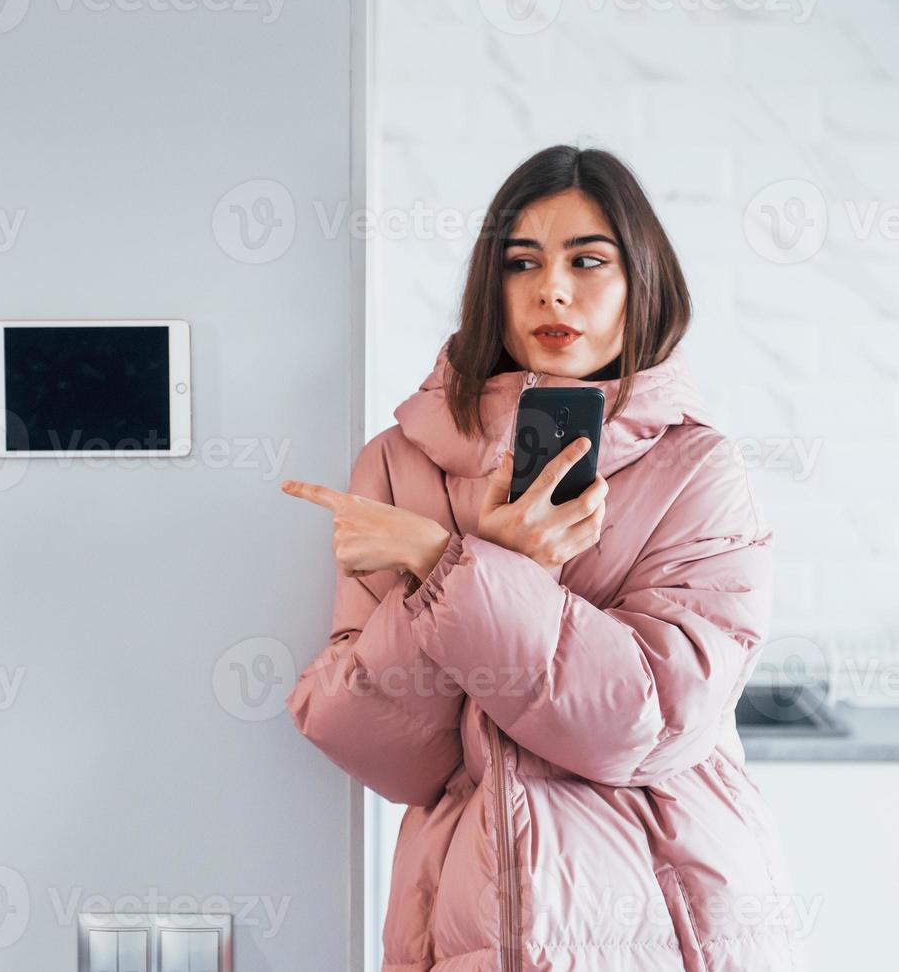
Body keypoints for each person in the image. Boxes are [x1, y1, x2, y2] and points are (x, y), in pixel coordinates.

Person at [280, 145, 804, 971]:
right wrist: (481, 562)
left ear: (643, 282)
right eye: (521, 262)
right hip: (462, 919)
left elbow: (646, 720)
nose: (551, 290)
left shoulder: (697, 467)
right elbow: (370, 741)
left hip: (666, 916)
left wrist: (450, 561)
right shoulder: (398, 463)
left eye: (587, 261)